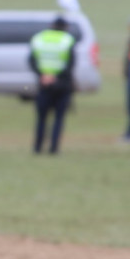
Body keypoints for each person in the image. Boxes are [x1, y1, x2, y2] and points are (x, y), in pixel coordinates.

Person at [29, 15, 77, 155]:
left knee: (41, 118)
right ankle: (54, 148)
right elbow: (71, 64)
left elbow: (31, 60)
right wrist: (55, 77)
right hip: (62, 84)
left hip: (43, 84)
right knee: (59, 118)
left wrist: (42, 75)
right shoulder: (67, 40)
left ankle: (37, 147)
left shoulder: (39, 39)